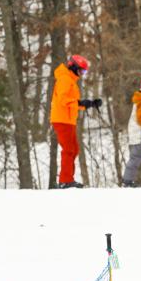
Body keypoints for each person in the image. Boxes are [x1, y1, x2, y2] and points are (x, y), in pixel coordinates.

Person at [49, 54, 101, 188]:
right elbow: (63, 100)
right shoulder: (65, 79)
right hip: (62, 119)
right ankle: (65, 181)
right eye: (81, 70)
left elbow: (73, 102)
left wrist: (89, 103)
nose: (82, 74)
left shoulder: (70, 80)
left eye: (84, 71)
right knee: (69, 149)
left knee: (74, 149)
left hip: (68, 120)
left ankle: (67, 179)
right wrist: (80, 102)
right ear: (73, 67)